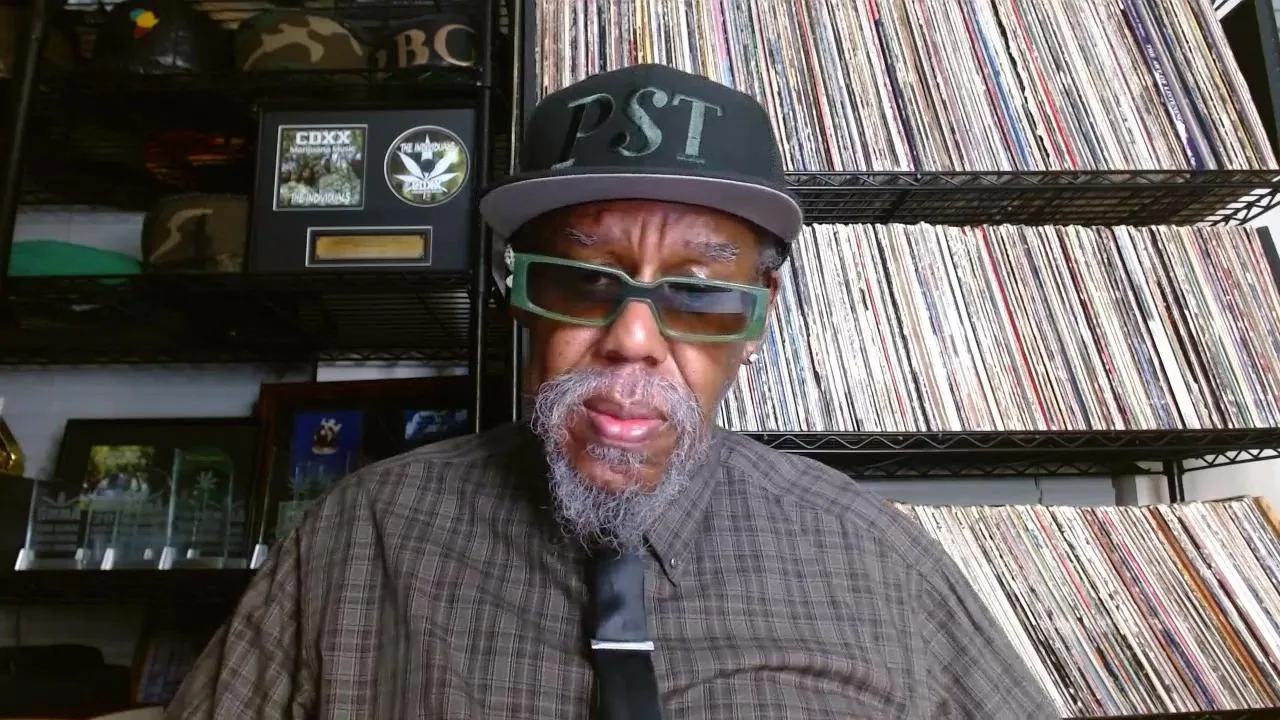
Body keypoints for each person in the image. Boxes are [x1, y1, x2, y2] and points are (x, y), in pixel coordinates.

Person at [165, 64, 1059, 719]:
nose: (633, 337)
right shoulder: (364, 535)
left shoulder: (874, 556)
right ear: (521, 300)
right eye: (582, 281)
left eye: (699, 293)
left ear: (758, 317)